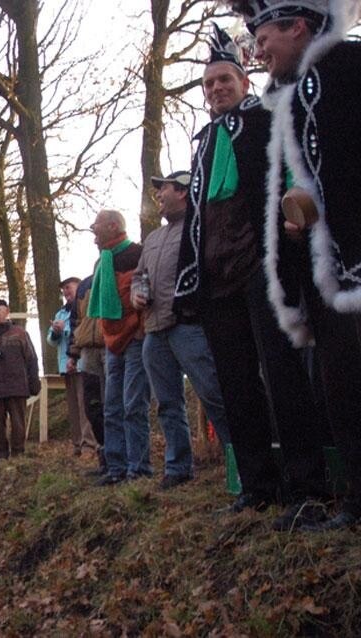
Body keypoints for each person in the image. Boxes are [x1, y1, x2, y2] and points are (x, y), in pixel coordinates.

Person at [173, 22, 330, 527]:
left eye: (225, 80)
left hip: (263, 270)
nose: (217, 88)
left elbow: (295, 170)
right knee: (237, 385)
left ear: (244, 81)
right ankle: (258, 486)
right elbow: (195, 220)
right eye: (209, 84)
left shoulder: (267, 119)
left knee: (283, 378)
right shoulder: (202, 145)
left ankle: (307, 486)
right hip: (217, 282)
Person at [222, 0, 361, 530]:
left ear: (298, 26)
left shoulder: (348, 70)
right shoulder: (287, 97)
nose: (258, 51)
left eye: (266, 38)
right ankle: (353, 500)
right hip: (318, 263)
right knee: (341, 384)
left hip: (352, 257)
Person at [135, 171, 233, 490]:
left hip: (188, 326)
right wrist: (138, 291)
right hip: (154, 330)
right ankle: (178, 467)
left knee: (213, 393)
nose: (158, 196)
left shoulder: (200, 227)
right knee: (167, 404)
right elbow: (140, 276)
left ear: (182, 191)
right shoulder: (152, 239)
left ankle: (241, 462)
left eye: (162, 189)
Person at [87, 209, 149, 486]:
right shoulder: (102, 262)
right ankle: (116, 467)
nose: (93, 229)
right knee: (111, 406)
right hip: (112, 343)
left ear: (113, 226)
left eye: (97, 225)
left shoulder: (137, 254)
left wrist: (138, 327)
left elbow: (142, 294)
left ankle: (138, 467)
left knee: (133, 404)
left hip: (136, 338)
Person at [0, 299, 41, 460]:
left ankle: (18, 453)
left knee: (18, 423)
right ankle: (1, 455)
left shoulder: (20, 333)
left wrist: (33, 381)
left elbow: (31, 359)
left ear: (7, 311)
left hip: (16, 386)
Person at [47, 276, 97, 456]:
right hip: (65, 366)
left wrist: (65, 330)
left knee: (85, 406)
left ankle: (89, 444)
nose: (66, 293)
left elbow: (83, 331)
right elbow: (51, 341)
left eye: (69, 288)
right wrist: (55, 332)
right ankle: (77, 443)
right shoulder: (61, 313)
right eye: (64, 290)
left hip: (81, 364)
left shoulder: (85, 307)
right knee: (74, 407)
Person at [67, 275, 107, 475]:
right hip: (87, 352)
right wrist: (72, 355)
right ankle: (105, 459)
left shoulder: (120, 267)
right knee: (93, 406)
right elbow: (76, 322)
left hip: (111, 347)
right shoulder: (85, 286)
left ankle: (120, 459)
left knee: (113, 404)